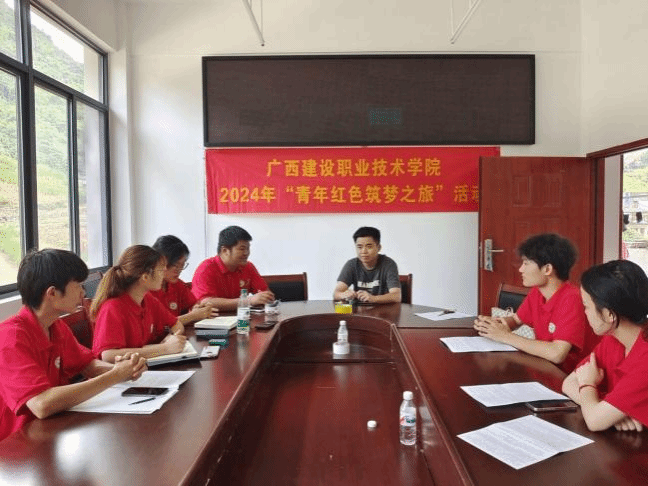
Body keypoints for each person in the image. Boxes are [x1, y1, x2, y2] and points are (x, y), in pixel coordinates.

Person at [0, 249, 147, 442]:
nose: (83, 292)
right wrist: (115, 375)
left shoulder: (56, 326)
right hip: (16, 446)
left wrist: (125, 369)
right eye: (78, 285)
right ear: (52, 293)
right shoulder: (10, 337)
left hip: (51, 431)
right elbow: (41, 404)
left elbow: (87, 365)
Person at [473, 233, 598, 372]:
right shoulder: (537, 292)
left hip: (572, 376)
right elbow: (515, 320)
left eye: (526, 263)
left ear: (547, 269)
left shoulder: (572, 299)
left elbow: (557, 354)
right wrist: (491, 325)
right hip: (545, 368)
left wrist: (505, 336)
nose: (521, 269)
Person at [562, 260, 648, 432]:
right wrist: (603, 408)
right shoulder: (613, 339)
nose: (584, 312)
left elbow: (594, 421)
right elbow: (568, 383)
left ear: (609, 314)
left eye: (586, 306)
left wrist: (588, 385)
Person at [91, 245, 187, 363]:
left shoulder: (147, 299)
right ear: (145, 277)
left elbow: (176, 324)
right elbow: (108, 355)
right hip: (118, 373)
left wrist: (170, 340)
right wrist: (164, 348)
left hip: (140, 368)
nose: (163, 274)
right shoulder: (112, 307)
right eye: (161, 270)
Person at [191, 226, 274, 311]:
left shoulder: (248, 267)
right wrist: (247, 301)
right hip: (212, 318)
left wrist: (265, 297)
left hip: (241, 317)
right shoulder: (205, 269)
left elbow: (266, 293)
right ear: (225, 250)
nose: (246, 253)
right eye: (242, 249)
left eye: (248, 248)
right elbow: (205, 302)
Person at [150, 235, 218, 325]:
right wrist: (193, 316)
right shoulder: (145, 289)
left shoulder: (177, 284)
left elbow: (193, 304)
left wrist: (200, 308)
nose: (179, 271)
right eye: (175, 265)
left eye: (182, 265)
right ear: (159, 262)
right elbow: (159, 326)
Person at [333, 226, 401, 304]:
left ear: (379, 247)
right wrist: (344, 295)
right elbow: (336, 294)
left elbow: (396, 296)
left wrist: (373, 298)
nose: (363, 251)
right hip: (359, 310)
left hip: (383, 309)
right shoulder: (351, 264)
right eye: (359, 247)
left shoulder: (388, 264)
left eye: (369, 247)